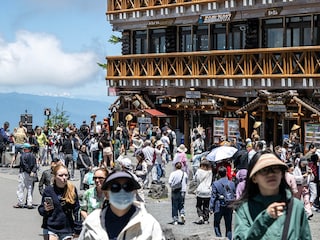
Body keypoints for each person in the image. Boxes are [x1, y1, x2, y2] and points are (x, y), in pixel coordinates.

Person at [233, 151, 311, 239]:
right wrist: (264, 219)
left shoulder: (296, 206)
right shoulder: (244, 209)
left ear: (281, 174)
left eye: (275, 169)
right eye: (264, 170)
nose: (270, 174)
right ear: (254, 178)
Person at [79, 170, 165, 239]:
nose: (122, 192)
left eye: (128, 187)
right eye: (115, 187)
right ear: (106, 194)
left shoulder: (149, 224)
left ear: (134, 192)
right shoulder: (92, 222)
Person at [38, 164, 82, 240]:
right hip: (51, 227)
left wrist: (78, 228)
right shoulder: (49, 190)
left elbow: (77, 210)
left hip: (67, 228)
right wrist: (45, 209)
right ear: (54, 177)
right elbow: (41, 210)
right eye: (60, 175)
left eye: (66, 175)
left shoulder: (72, 189)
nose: (64, 178)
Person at [209, 166, 235, 240]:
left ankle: (219, 237)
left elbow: (213, 196)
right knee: (228, 225)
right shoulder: (232, 183)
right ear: (226, 173)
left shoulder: (215, 183)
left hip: (218, 205)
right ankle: (229, 238)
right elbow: (234, 194)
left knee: (217, 223)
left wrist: (211, 207)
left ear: (218, 174)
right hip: (229, 205)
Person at [13, 143, 37, 209]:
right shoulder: (33, 156)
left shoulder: (23, 156)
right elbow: (35, 165)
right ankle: (29, 203)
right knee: (30, 188)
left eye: (24, 148)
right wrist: (32, 171)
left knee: (21, 188)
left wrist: (28, 171)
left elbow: (24, 165)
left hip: (23, 173)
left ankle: (20, 202)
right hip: (31, 174)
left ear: (26, 149)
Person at [194, 159, 212, 224]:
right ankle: (206, 219)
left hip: (200, 190)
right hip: (207, 190)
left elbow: (195, 179)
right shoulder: (210, 172)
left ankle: (201, 216)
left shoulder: (198, 171)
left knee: (198, 205)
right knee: (206, 205)